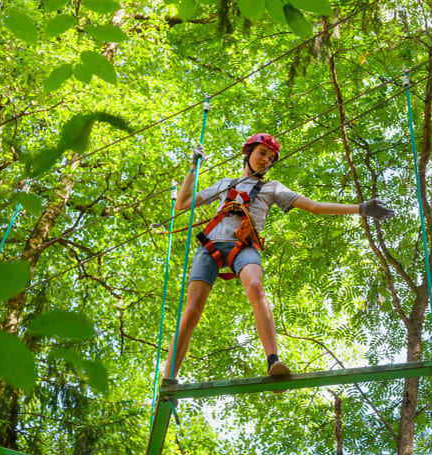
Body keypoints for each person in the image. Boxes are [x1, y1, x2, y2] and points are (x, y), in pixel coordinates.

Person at [162, 132, 395, 383]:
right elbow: (182, 203)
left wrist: (359, 209)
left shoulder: (272, 188)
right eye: (262, 153)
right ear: (247, 153)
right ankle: (169, 379)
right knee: (192, 311)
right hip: (210, 247)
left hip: (244, 246)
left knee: (255, 286)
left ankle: (273, 360)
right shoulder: (224, 184)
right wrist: (193, 168)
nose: (266, 160)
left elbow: (314, 206)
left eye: (271, 158)